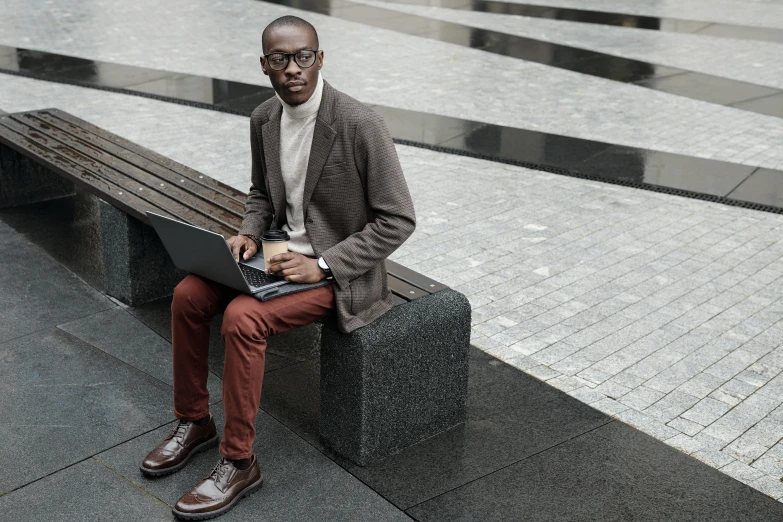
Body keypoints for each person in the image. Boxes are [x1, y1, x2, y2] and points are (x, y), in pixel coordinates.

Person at [139, 15, 416, 521]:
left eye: (303, 56)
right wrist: (247, 234)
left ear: (320, 58)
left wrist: (325, 264)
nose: (293, 69)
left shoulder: (358, 124)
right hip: (274, 258)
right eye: (280, 59)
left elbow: (398, 220)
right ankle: (194, 421)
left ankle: (239, 461)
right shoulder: (264, 118)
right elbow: (261, 195)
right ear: (264, 65)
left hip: (341, 276)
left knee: (244, 318)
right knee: (187, 296)